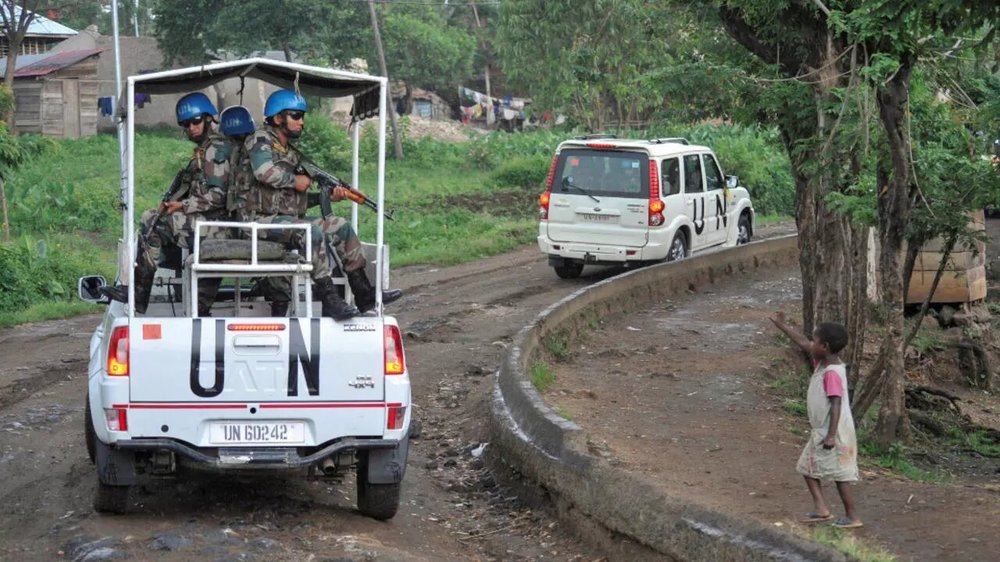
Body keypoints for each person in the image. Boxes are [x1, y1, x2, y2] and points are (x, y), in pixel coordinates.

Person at [229, 89, 402, 320]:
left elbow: (289, 201)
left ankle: (364, 293)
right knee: (311, 231)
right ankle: (329, 299)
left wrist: (328, 196)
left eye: (302, 116)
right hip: (254, 221)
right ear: (278, 117)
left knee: (340, 225)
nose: (301, 121)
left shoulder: (289, 152)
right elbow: (263, 172)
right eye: (295, 115)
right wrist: (295, 180)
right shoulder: (259, 139)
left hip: (278, 220)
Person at [102, 92, 233, 315]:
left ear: (209, 118)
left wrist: (182, 206)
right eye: (185, 124)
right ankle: (138, 290)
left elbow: (218, 196)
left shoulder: (216, 150)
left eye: (195, 121)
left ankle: (138, 294)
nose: (190, 127)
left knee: (158, 222)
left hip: (221, 224)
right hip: (209, 220)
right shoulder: (206, 149)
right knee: (152, 217)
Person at [769, 312, 862, 529]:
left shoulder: (831, 372)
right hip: (824, 430)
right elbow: (802, 342)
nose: (811, 343)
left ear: (825, 347)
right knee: (808, 468)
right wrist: (782, 326)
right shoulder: (823, 362)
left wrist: (830, 435)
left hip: (833, 432)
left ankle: (852, 516)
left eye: (815, 340)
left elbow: (836, 403)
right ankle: (822, 508)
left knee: (841, 475)